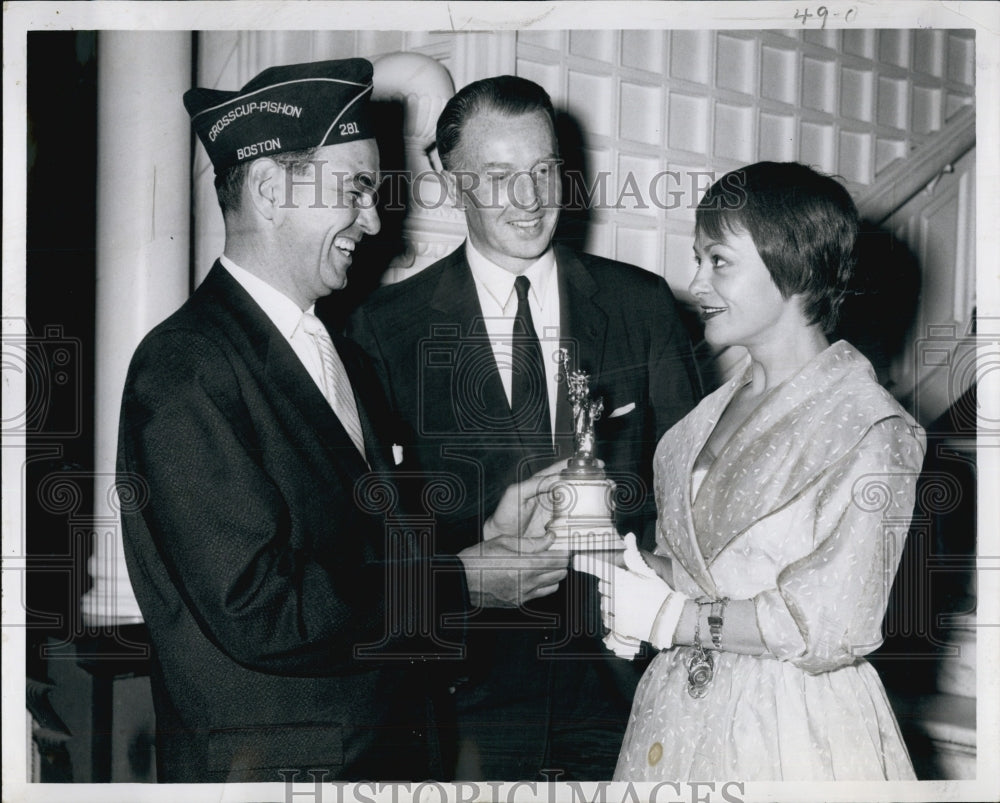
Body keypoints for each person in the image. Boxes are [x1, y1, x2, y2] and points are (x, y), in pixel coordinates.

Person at [116, 59, 569, 783]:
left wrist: (486, 536)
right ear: (269, 190)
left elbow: (358, 551)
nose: (374, 219)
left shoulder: (342, 354)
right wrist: (465, 582)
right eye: (355, 190)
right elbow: (260, 606)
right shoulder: (186, 367)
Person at [348, 75, 700, 780]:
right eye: (500, 177)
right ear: (451, 182)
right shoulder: (382, 331)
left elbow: (695, 498)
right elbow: (374, 535)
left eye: (543, 172)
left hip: (625, 693)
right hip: (464, 700)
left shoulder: (642, 305)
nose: (531, 199)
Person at [587, 161, 925, 780]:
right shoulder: (699, 420)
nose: (696, 282)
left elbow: (836, 623)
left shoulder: (872, 428)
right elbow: (701, 571)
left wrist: (671, 619)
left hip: (790, 726)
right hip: (674, 711)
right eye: (697, 259)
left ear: (791, 267)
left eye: (718, 261)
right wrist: (624, 563)